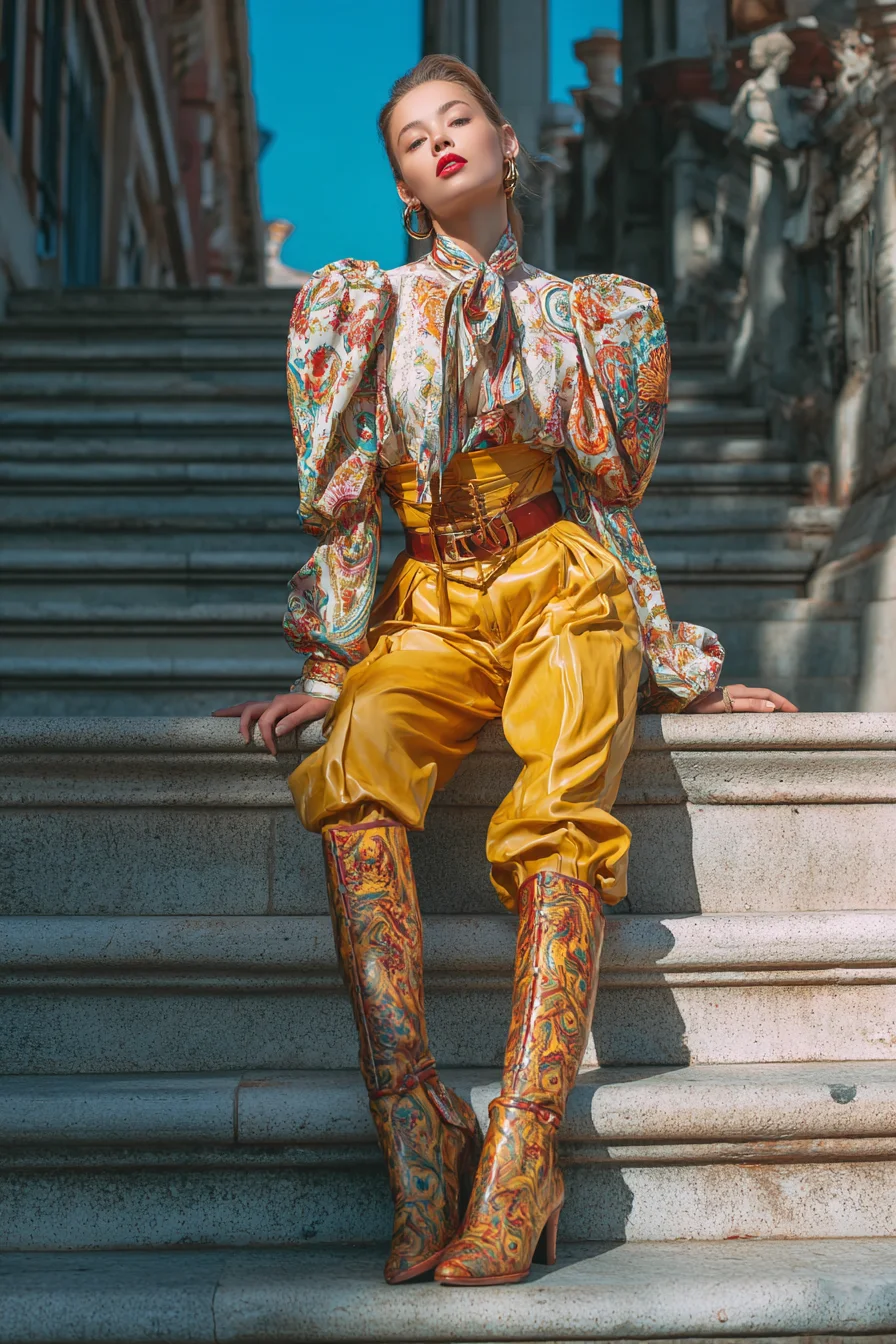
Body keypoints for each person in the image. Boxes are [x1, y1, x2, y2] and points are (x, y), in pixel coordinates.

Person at [214, 55, 797, 1288]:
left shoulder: (596, 313)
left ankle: (524, 1158)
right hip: (426, 590)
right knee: (353, 777)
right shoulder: (361, 306)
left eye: (456, 119)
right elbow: (348, 504)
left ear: (505, 143)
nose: (436, 143)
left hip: (555, 580)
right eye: (409, 138)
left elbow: (601, 492)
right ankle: (416, 1127)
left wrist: (675, 666)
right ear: (403, 188)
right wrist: (328, 662)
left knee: (556, 824)